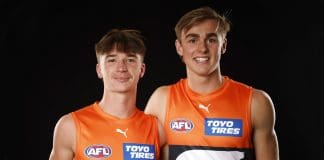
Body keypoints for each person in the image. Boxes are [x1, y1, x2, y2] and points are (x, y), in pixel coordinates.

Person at [144, 6, 279, 160]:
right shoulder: (161, 101)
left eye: (211, 40)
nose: (202, 49)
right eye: (193, 40)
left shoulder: (255, 102)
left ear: (223, 45)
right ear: (179, 47)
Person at [49, 29, 165, 160]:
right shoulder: (70, 126)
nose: (121, 68)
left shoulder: (156, 129)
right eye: (112, 60)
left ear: (142, 70)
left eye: (130, 60)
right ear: (99, 70)